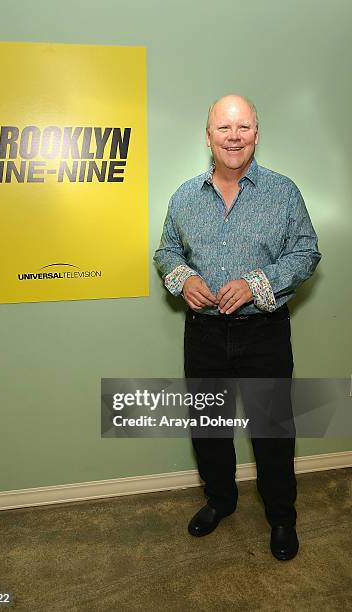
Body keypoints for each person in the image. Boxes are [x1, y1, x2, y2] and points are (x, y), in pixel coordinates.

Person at [153, 94, 321, 561]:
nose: (234, 136)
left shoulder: (283, 192)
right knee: (209, 427)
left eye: (243, 127)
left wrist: (256, 283)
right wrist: (182, 279)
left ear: (256, 134)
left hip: (264, 331)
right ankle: (220, 501)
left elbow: (307, 252)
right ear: (208, 137)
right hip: (203, 333)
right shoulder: (184, 197)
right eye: (224, 128)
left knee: (272, 431)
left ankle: (282, 518)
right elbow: (166, 251)